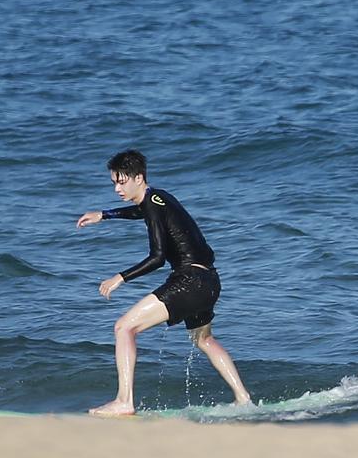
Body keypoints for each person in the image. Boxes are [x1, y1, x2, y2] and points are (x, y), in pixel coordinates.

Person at [77, 149, 251, 415]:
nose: (117, 189)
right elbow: (141, 213)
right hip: (210, 281)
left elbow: (157, 257)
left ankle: (124, 401)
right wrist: (105, 215)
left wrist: (120, 278)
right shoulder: (159, 198)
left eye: (122, 182)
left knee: (124, 328)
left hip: (189, 280)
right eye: (114, 182)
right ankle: (243, 398)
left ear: (138, 177)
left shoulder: (152, 203)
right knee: (204, 340)